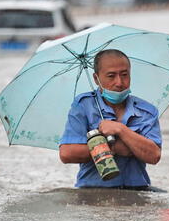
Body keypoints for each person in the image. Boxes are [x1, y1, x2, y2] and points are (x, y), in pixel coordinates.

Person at [59, 49, 162, 189]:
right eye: (111, 76)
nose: (119, 82)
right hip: (92, 192)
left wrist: (121, 129)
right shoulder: (83, 106)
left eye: (124, 75)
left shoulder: (147, 111)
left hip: (137, 191)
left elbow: (154, 155)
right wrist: (115, 147)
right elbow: (67, 153)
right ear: (96, 79)